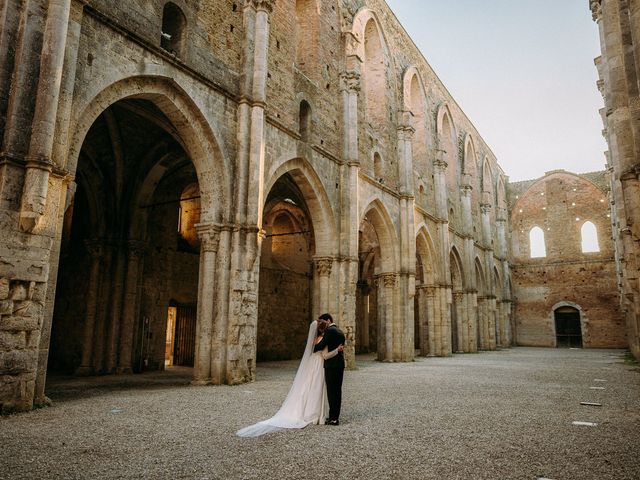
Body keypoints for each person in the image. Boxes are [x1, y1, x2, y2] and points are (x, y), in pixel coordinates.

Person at [235, 319, 343, 437]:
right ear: (323, 330)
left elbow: (314, 350)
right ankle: (315, 414)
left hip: (312, 364)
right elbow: (326, 355)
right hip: (319, 366)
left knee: (308, 387)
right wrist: (337, 350)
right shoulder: (323, 340)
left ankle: (308, 412)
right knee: (317, 389)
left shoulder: (313, 341)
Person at [313, 313, 346, 426]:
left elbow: (321, 346)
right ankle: (335, 416)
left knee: (332, 392)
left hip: (331, 365)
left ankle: (333, 418)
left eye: (323, 321)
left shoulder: (330, 331)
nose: (322, 324)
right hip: (340, 365)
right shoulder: (340, 331)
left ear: (328, 320)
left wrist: (313, 346)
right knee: (337, 391)